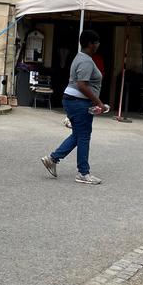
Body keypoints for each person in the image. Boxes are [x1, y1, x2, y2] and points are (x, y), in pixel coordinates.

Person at [40, 29, 107, 185]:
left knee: (78, 135)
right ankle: (83, 173)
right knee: (84, 136)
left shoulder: (81, 57)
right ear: (91, 44)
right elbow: (82, 85)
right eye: (96, 42)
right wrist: (99, 102)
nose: (98, 45)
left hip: (75, 101)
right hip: (78, 102)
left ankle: (53, 159)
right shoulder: (86, 61)